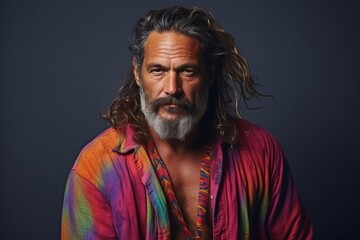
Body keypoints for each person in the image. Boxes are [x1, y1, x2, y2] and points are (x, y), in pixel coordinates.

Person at [61, 5, 313, 240]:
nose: (172, 88)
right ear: (138, 73)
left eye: (187, 71)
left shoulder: (261, 151)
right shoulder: (96, 170)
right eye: (158, 70)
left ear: (210, 74)